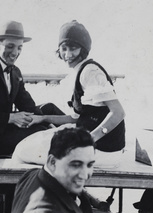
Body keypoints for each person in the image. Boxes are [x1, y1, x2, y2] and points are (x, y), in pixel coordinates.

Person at [0, 21, 63, 155]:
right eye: (10, 46)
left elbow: (27, 105)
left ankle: (83, 136)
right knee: (40, 132)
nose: (15, 53)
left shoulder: (15, 72)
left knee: (49, 108)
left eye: (19, 48)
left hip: (5, 129)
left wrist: (46, 120)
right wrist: (11, 118)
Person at [28, 20, 125, 152]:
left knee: (28, 151)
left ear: (83, 49)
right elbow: (77, 118)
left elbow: (118, 112)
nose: (68, 55)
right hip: (89, 139)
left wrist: (91, 139)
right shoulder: (79, 71)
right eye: (64, 49)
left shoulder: (90, 72)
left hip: (103, 147)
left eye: (73, 49)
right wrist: (43, 118)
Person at [10, 127, 96, 213]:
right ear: (52, 162)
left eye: (89, 165)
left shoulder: (30, 175)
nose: (84, 175)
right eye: (75, 165)